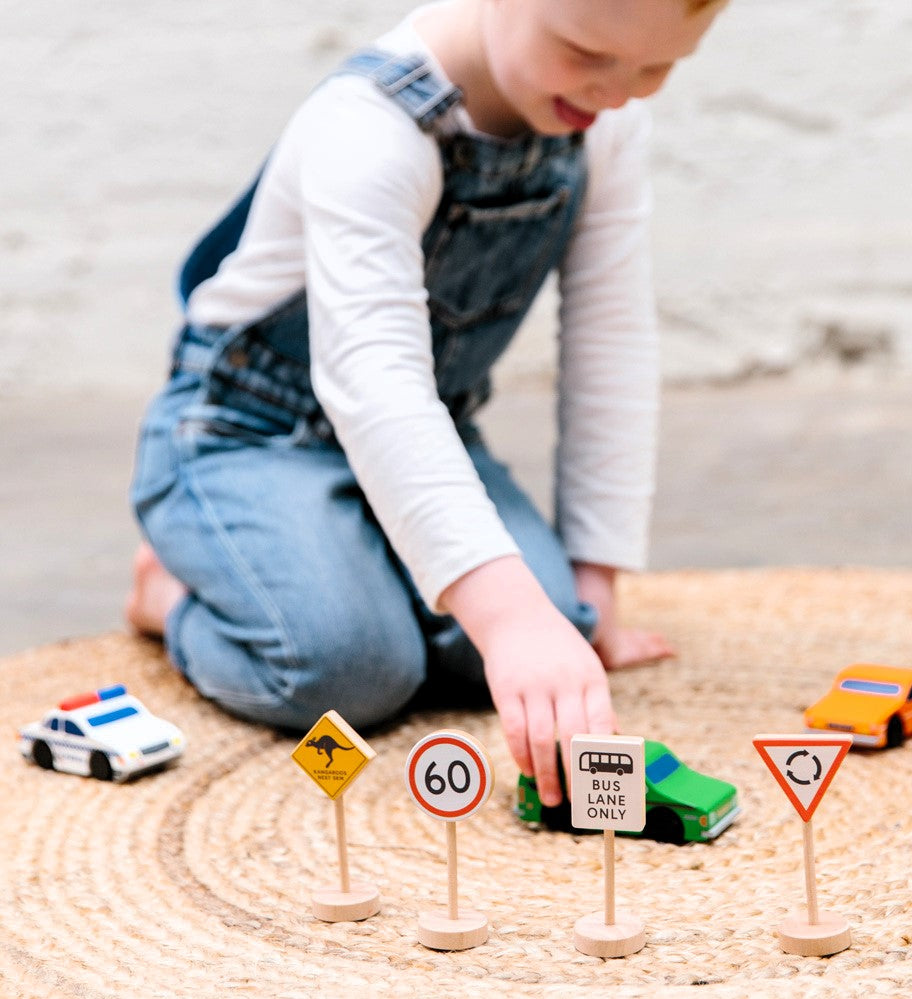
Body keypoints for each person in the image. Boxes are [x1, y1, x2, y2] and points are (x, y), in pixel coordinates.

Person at [127, 0, 726, 807]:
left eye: (658, 68)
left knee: (552, 625)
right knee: (352, 673)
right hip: (250, 434)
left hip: (426, 431)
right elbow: (375, 384)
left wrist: (595, 588)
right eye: (586, 51)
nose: (618, 91)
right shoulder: (368, 128)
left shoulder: (603, 127)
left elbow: (609, 345)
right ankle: (166, 593)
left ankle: (352, 562)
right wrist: (511, 621)